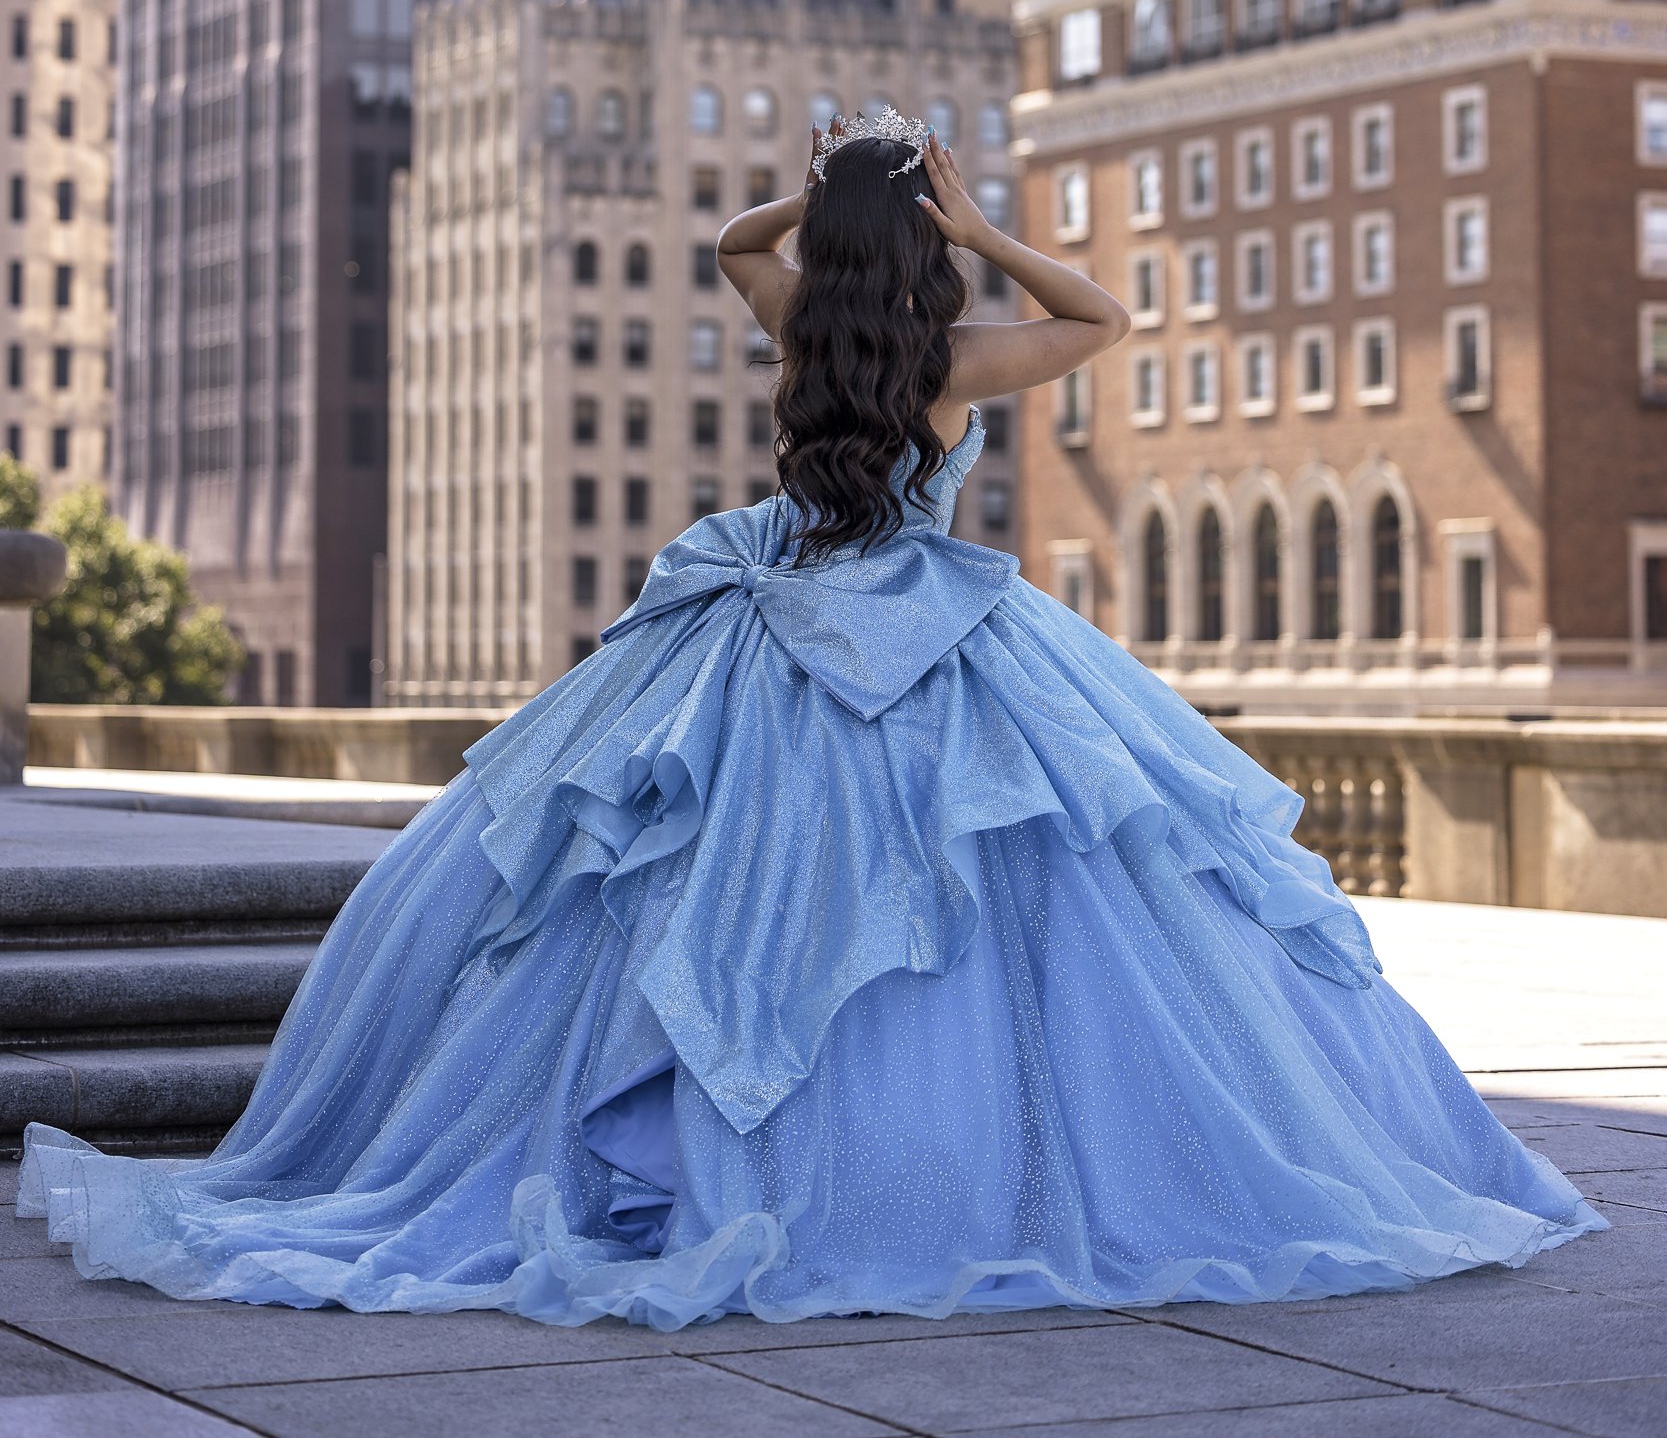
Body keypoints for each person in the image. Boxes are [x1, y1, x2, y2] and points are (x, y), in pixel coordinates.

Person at [19, 113, 1601, 1325]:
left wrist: (816, 198)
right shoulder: (956, 362)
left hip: (769, 613)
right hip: (916, 625)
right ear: (921, 242)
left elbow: (729, 241)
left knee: (687, 887)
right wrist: (972, 219)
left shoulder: (801, 331)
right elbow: (1105, 318)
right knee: (1003, 900)